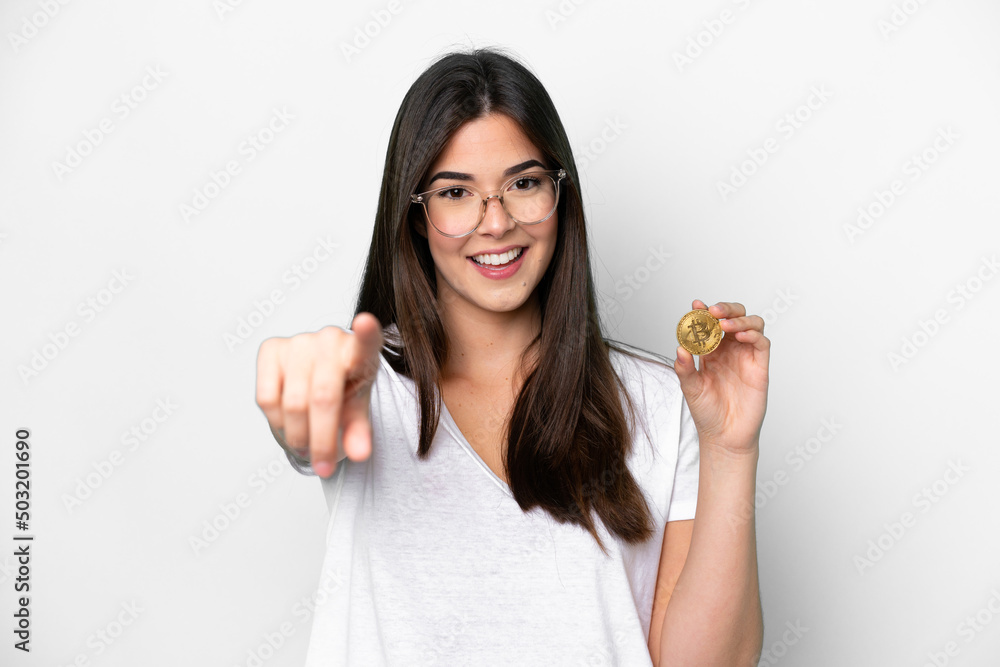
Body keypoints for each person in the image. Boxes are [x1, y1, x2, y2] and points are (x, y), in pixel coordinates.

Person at [255, 46, 768, 666]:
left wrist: (730, 449)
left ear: (560, 195)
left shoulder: (661, 401)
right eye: (456, 193)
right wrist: (303, 410)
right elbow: (316, 425)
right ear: (415, 216)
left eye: (523, 184)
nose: (495, 223)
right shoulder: (368, 385)